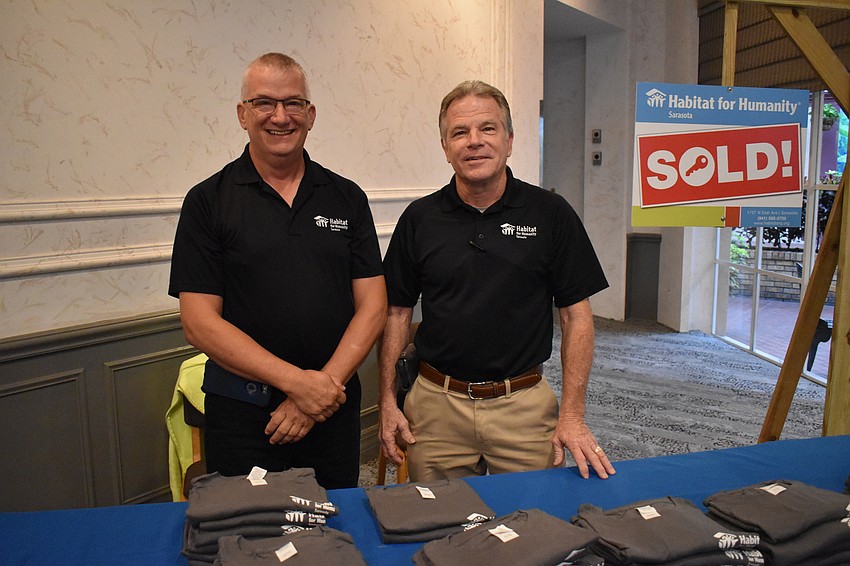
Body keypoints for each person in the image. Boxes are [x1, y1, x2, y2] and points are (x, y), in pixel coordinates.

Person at [169, 53, 387, 489]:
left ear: (311, 115)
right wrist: (298, 386)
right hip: (244, 415)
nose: (280, 116)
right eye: (264, 103)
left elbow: (373, 306)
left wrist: (320, 390)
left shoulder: (346, 197)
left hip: (333, 405)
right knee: (249, 525)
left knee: (335, 519)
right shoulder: (207, 201)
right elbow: (198, 322)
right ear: (242, 114)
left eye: (293, 103)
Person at [378, 80, 615, 482]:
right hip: (436, 407)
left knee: (533, 516)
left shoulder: (550, 214)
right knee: (437, 515)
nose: (474, 141)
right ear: (445, 147)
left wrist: (573, 415)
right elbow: (396, 313)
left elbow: (576, 317)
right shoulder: (419, 219)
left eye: (488, 128)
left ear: (509, 140)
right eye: (460, 132)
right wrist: (386, 400)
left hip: (523, 405)